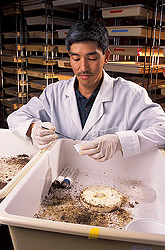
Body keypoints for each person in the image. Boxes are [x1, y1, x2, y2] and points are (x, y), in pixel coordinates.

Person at [7, 19, 165, 162]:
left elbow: (162, 130)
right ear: (69, 57)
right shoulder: (54, 93)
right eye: (76, 58)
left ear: (106, 56)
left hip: (112, 178)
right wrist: (33, 129)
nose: (83, 68)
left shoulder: (131, 95)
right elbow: (16, 118)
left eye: (92, 58)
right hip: (63, 172)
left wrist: (119, 141)